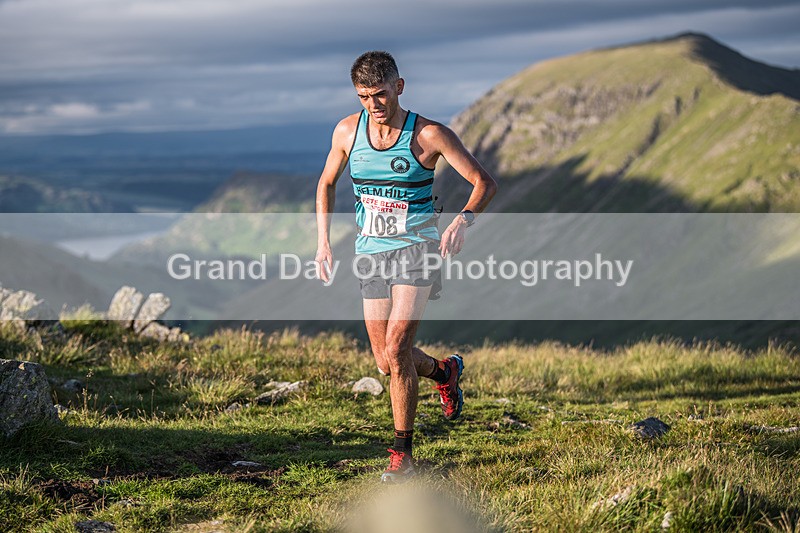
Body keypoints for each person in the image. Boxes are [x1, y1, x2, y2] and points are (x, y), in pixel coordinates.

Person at [315, 51, 496, 483]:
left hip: (417, 249)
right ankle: (445, 372)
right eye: (364, 96)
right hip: (370, 251)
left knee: (397, 350)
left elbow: (484, 183)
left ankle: (403, 455)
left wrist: (462, 221)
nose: (373, 104)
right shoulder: (347, 130)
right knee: (383, 361)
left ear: (399, 86)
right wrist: (322, 241)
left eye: (380, 93)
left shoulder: (430, 135)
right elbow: (326, 182)